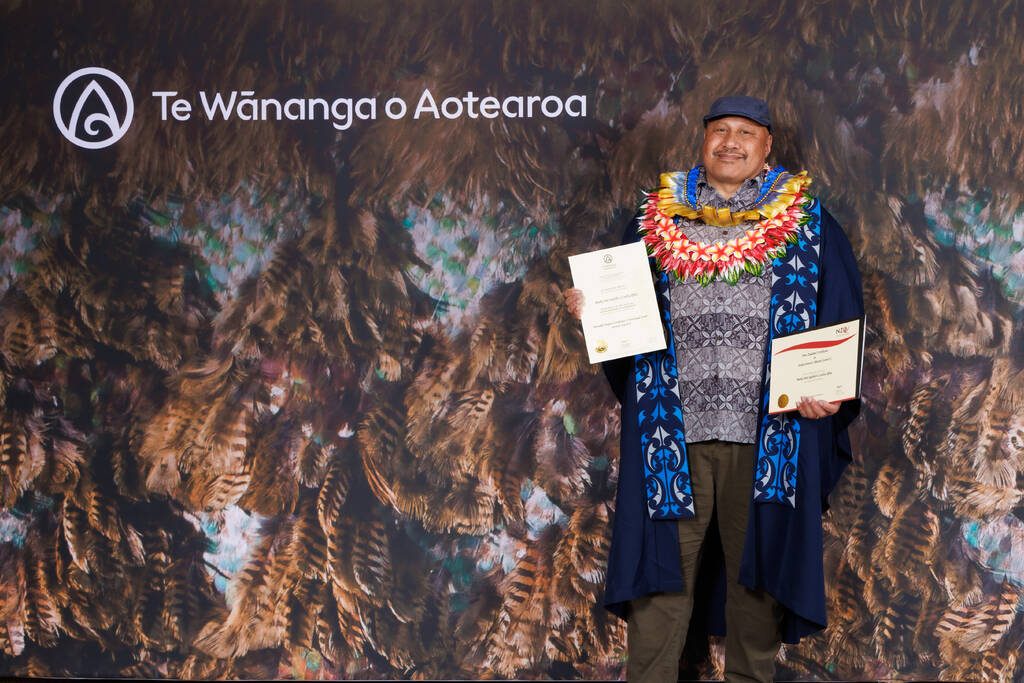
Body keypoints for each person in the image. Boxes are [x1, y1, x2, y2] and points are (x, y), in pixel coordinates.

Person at [564, 96, 864, 682]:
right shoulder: (656, 220)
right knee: (661, 583)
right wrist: (593, 310)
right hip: (673, 434)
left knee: (758, 583)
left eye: (744, 132)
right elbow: (626, 320)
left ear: (766, 145)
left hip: (769, 432)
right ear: (703, 140)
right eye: (719, 131)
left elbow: (838, 312)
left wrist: (829, 393)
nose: (730, 141)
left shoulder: (806, 221)